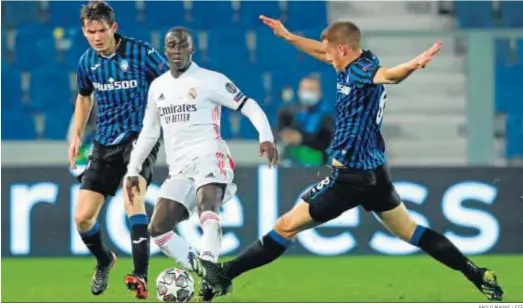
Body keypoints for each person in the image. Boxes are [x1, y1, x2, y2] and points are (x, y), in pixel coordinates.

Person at [190, 16, 504, 302]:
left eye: (330, 52)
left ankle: (224, 274)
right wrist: (288, 36)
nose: (326, 56)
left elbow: (390, 76)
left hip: (350, 176)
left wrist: (413, 64)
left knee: (285, 227)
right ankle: (475, 273)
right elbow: (320, 50)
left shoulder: (365, 71)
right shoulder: (353, 61)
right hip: (375, 172)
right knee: (410, 230)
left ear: (342, 49)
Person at [124, 27, 278, 302]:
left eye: (183, 45)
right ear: (165, 49)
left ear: (192, 50)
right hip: (179, 167)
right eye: (172, 45)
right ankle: (208, 273)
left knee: (207, 207)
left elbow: (249, 105)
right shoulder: (158, 87)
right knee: (158, 229)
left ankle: (208, 275)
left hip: (210, 153)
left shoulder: (211, 80)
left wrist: (265, 136)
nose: (177, 50)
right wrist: (133, 170)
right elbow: (149, 133)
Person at [67, 1, 169, 299]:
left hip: (140, 139)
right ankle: (104, 260)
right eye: (90, 31)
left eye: (101, 30)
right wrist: (76, 136)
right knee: (83, 218)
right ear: (84, 31)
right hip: (104, 143)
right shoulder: (87, 62)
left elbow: (169, 83)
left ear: (114, 27)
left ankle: (141, 275)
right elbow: (84, 97)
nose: (97, 37)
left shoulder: (142, 52)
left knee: (132, 197)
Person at [277, 75, 333, 166]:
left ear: (319, 93)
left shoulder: (326, 115)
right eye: (305, 89)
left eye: (311, 89)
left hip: (317, 167)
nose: (307, 93)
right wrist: (284, 136)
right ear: (299, 91)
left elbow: (325, 142)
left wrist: (301, 139)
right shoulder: (290, 113)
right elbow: (278, 133)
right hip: (291, 165)